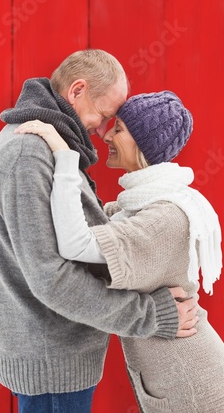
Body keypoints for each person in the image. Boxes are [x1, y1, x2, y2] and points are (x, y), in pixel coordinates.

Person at [0, 50, 198, 413]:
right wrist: (151, 316)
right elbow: (53, 280)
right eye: (105, 115)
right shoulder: (29, 156)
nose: (102, 131)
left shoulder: (46, 145)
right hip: (52, 365)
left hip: (55, 358)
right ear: (77, 90)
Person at [15, 90, 224, 412]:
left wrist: (64, 154)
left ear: (144, 143)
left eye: (120, 129)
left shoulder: (163, 217)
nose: (107, 135)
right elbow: (84, 227)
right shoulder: (133, 209)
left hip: (190, 380)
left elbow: (77, 242)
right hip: (172, 377)